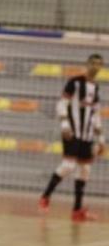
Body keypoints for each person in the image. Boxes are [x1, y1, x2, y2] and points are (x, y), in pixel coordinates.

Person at [39, 53, 104, 222]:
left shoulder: (96, 88)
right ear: (87, 64)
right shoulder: (74, 82)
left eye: (99, 64)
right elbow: (62, 104)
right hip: (72, 132)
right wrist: (64, 124)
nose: (96, 67)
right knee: (68, 166)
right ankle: (45, 196)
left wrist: (101, 137)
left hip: (87, 135)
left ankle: (77, 210)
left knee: (85, 170)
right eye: (93, 63)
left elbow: (96, 114)